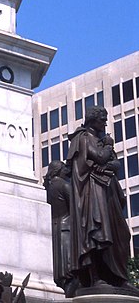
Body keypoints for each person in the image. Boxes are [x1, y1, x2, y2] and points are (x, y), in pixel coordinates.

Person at [66, 106, 131, 290]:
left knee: (121, 234)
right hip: (92, 194)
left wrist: (108, 164)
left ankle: (118, 277)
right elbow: (101, 158)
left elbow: (115, 164)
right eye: (102, 119)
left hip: (108, 193)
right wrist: (108, 147)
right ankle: (96, 278)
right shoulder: (83, 138)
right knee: (96, 235)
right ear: (92, 120)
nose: (105, 122)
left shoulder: (101, 139)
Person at [44, 160, 78, 298]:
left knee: (59, 263)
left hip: (54, 227)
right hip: (67, 227)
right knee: (68, 263)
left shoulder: (48, 187)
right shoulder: (64, 185)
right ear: (58, 170)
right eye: (64, 168)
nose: (67, 170)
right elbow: (76, 206)